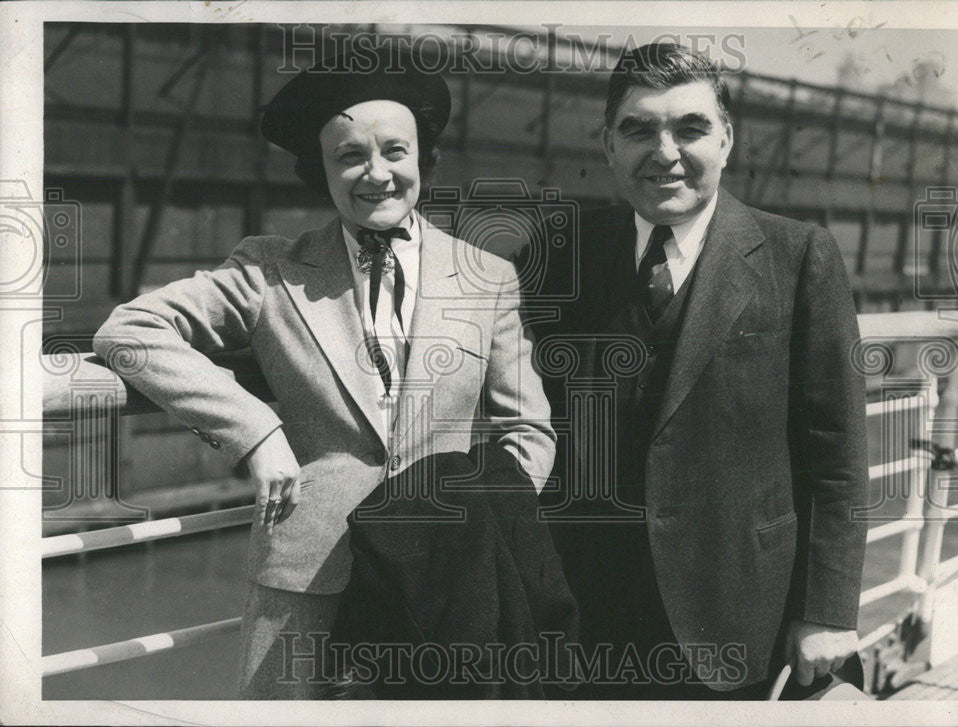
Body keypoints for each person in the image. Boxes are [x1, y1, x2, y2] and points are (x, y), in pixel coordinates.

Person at [93, 48, 555, 699]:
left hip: (446, 577)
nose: (377, 174)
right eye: (349, 156)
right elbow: (129, 331)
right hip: (307, 576)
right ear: (322, 171)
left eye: (396, 150)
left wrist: (485, 521)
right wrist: (256, 431)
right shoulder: (268, 270)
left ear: (424, 157)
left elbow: (529, 427)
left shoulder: (486, 277)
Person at [539, 42, 869, 699]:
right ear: (608, 146)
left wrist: (827, 610)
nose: (664, 152)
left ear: (726, 140)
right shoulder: (559, 252)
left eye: (689, 128)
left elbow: (838, 451)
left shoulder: (798, 255)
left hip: (743, 622)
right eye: (638, 130)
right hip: (591, 624)